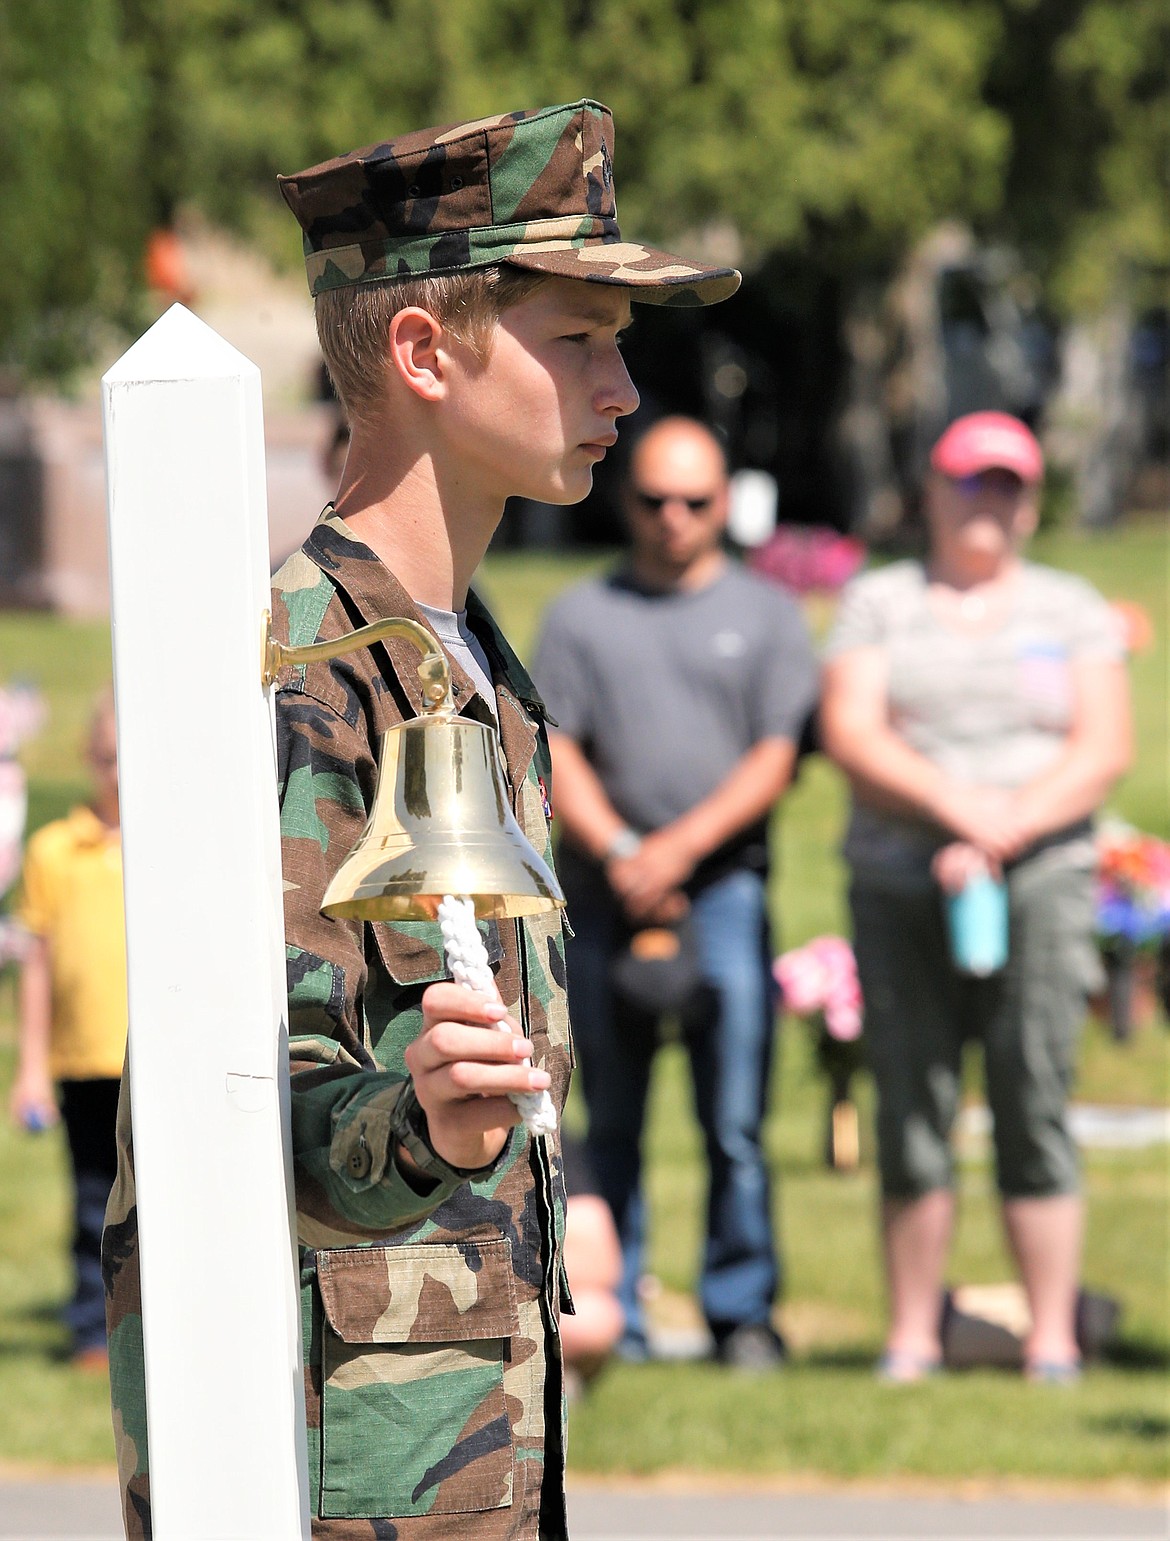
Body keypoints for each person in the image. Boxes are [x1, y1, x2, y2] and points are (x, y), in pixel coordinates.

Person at [102, 99, 739, 1539]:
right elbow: (236, 1118)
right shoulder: (304, 675)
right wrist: (428, 1132)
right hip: (338, 1465)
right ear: (422, 352)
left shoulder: (461, 664)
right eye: (579, 340)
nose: (624, 391)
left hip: (465, 1442)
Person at [821, 411, 1131, 1384]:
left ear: (1031, 500)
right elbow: (854, 731)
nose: (988, 501)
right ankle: (911, 1333)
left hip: (1041, 873)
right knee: (913, 1097)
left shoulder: (1070, 606)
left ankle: (1050, 1338)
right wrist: (955, 808)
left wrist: (1008, 827)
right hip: (900, 871)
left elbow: (1104, 746)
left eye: (1008, 484)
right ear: (935, 491)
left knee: (1032, 1089)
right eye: (971, 481)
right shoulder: (879, 601)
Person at [534, 416, 818, 1371]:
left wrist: (679, 850)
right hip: (604, 893)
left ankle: (742, 1310)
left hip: (725, 892)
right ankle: (620, 1306)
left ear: (725, 502)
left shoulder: (770, 614)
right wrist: (620, 848)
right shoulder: (580, 616)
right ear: (627, 499)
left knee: (734, 1121)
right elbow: (555, 744)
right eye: (654, 499)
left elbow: (778, 753)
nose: (673, 518)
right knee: (610, 1117)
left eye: (695, 501)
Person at [11, 690, 125, 1369]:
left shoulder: (169, 852)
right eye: (108, 758)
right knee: (93, 1198)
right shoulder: (55, 849)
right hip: (82, 1059)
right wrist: (30, 1066)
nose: (118, 772)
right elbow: (37, 965)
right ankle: (91, 1324)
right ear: (88, 759)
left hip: (153, 1061)